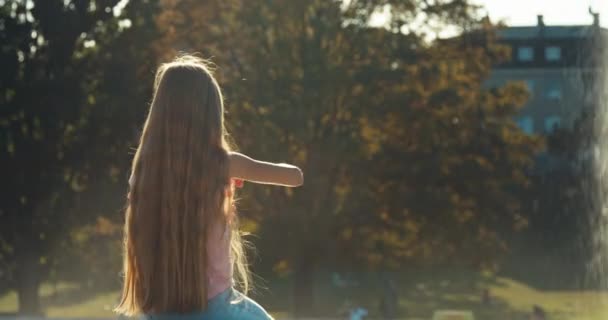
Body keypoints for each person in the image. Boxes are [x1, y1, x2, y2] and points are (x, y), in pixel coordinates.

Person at [114, 55, 303, 320]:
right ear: (210, 115)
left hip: (157, 312)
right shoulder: (222, 165)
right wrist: (239, 169)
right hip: (220, 311)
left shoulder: (144, 175)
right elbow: (295, 176)